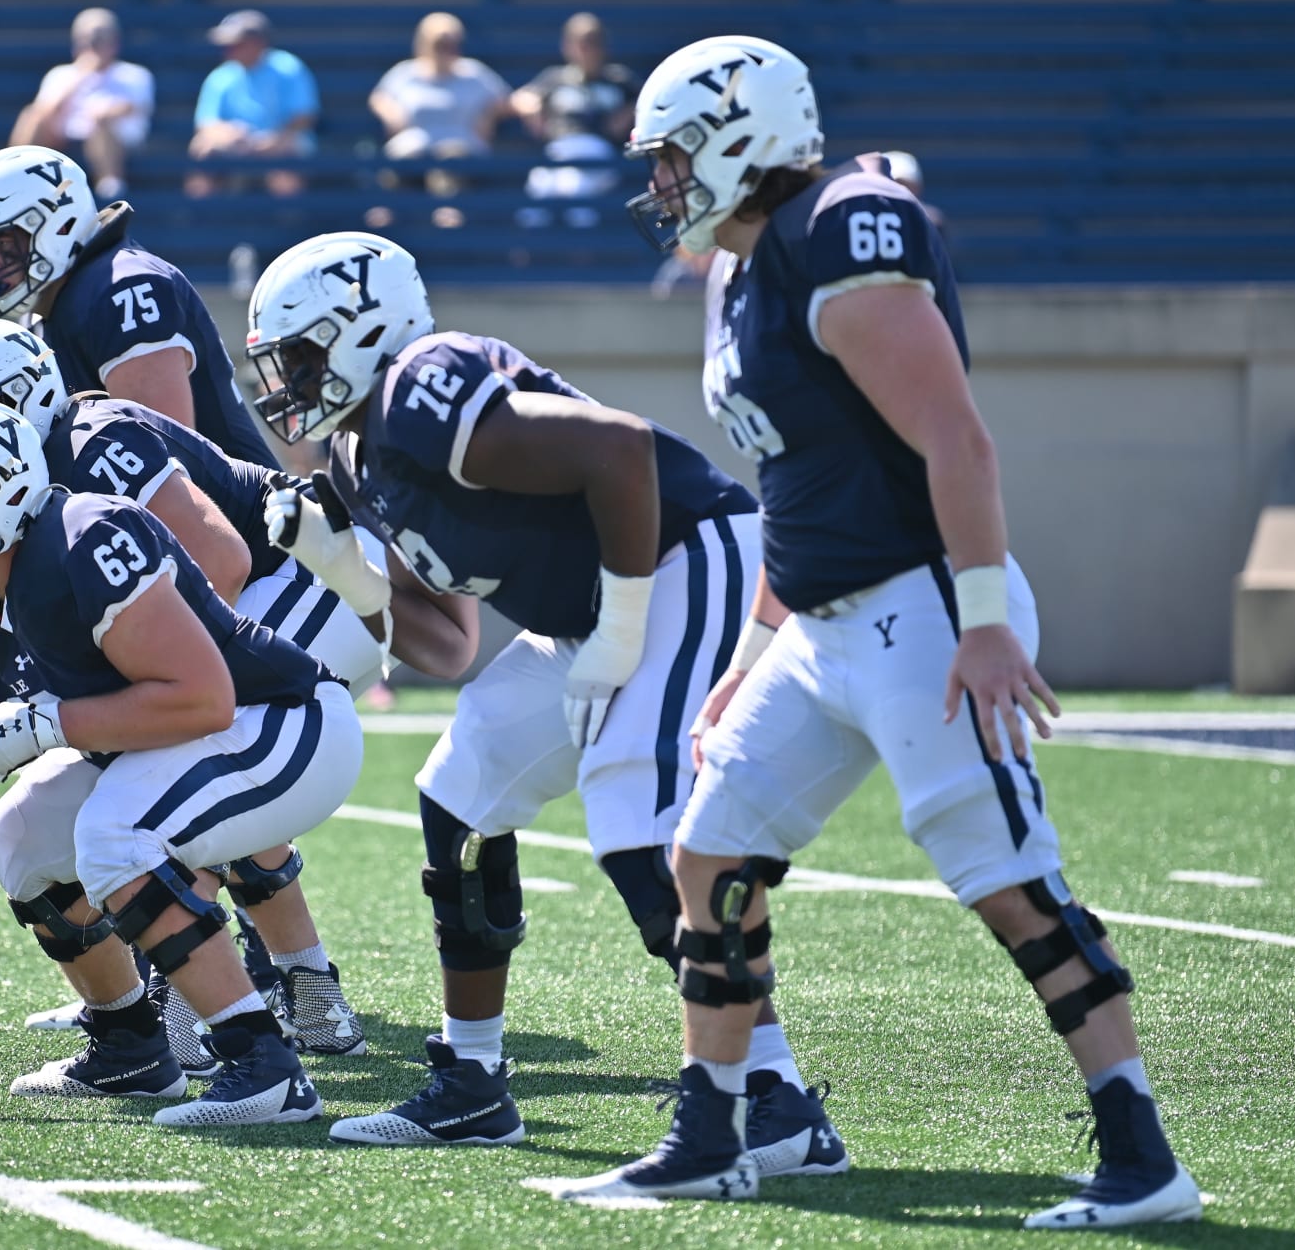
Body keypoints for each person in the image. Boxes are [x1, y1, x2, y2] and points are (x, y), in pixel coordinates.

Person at [546, 36, 1202, 1228]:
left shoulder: (845, 228)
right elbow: (798, 491)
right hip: (822, 617)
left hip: (925, 605)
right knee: (709, 852)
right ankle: (713, 1127)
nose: (662, 185)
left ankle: (1140, 1149)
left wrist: (989, 618)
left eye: (676, 156)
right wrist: (744, 665)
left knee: (1008, 881)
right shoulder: (738, 269)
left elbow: (957, 437)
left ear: (744, 137)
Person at [244, 232, 846, 1178]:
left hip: (686, 561)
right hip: (595, 613)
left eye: (305, 355)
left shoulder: (421, 381)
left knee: (636, 823)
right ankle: (472, 1083)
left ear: (364, 330)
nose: (290, 382)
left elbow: (622, 450)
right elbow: (445, 645)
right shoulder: (362, 456)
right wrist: (337, 566)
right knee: (461, 791)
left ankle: (774, 1102)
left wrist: (618, 633)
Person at [0, 399, 364, 1129]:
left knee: (113, 834)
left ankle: (262, 1065)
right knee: (20, 839)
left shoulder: (85, 540)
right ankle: (129, 1048)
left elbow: (205, 699)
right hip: (187, 740)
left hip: (285, 725)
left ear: (4, 490)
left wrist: (50, 722)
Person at [0, 317, 441, 1079]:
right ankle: (286, 987)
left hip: (303, 579)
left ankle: (235, 994)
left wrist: (123, 700)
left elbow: (221, 562)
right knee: (158, 777)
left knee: (184, 772)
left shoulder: (88, 443)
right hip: (251, 597)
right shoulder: (9, 516)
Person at [0, 145, 277, 468]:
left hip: (232, 519)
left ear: (59, 222)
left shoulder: (123, 288)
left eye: (3, 243)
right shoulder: (42, 313)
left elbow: (166, 465)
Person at [11, 8, 155, 202]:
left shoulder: (134, 74)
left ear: (115, 42)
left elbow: (132, 108)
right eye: (86, 40)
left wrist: (100, 113)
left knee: (100, 121)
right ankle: (17, 173)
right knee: (31, 115)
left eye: (100, 40)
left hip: (116, 139)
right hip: (65, 138)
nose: (92, 46)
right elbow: (46, 110)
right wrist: (82, 74)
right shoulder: (61, 74)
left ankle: (110, 186)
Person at [369, 13, 510, 196]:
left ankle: (448, 213)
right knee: (398, 166)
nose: (448, 51)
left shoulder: (474, 73)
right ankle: (386, 211)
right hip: (414, 146)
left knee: (450, 162)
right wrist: (390, 114)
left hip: (461, 146)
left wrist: (489, 115)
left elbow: (507, 100)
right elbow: (378, 97)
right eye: (440, 45)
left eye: (453, 44)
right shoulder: (405, 73)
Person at [186, 10, 319, 200]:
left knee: (289, 152)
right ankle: (199, 215)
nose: (228, 50)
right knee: (203, 146)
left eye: (236, 44)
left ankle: (288, 217)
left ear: (258, 43)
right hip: (236, 143)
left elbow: (304, 117)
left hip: (282, 140)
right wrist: (228, 134)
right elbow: (206, 123)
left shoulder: (288, 67)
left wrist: (274, 141)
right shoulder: (220, 76)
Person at [512, 13, 638, 207]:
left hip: (600, 151)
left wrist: (628, 112)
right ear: (566, 46)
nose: (586, 50)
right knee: (541, 187)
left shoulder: (618, 78)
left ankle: (581, 225)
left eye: (592, 43)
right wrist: (531, 108)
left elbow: (649, 99)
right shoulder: (554, 77)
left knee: (574, 186)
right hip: (560, 150)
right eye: (580, 43)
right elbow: (520, 98)